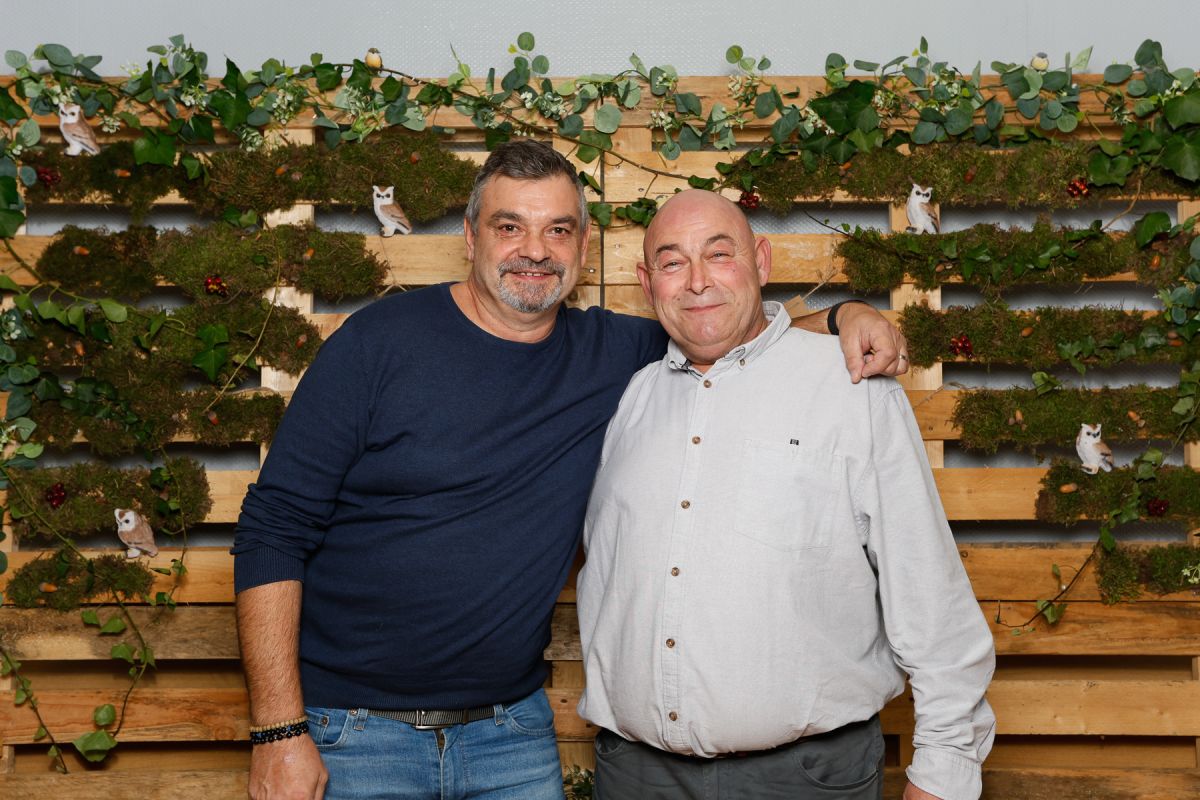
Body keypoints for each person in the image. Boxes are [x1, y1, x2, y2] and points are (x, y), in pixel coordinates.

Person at [231, 140, 908, 800]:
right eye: (510, 227)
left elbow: (729, 329)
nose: (535, 250)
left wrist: (846, 316)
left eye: (557, 229)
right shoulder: (377, 343)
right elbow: (273, 528)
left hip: (512, 735)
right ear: (469, 237)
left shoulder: (615, 352)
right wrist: (278, 730)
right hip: (352, 732)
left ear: (583, 248)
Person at [577, 189, 996, 800]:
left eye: (719, 254)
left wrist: (945, 768)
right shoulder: (629, 398)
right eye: (672, 262)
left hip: (804, 779)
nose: (697, 281)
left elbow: (927, 587)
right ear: (647, 282)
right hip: (635, 776)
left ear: (762, 261)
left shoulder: (851, 387)